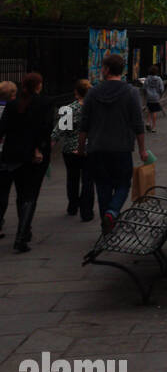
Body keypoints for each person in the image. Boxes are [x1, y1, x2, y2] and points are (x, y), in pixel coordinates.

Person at [77, 54, 148, 234]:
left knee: (102, 186)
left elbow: (84, 124)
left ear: (107, 69)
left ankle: (106, 224)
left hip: (97, 147)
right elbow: (138, 124)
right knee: (123, 184)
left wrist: (80, 146)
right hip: (122, 147)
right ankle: (113, 211)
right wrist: (142, 149)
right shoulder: (131, 92)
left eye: (102, 67)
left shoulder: (93, 92)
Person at [0, 73, 53, 252]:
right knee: (30, 195)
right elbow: (45, 128)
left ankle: (24, 230)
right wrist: (39, 148)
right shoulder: (44, 103)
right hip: (33, 154)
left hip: (12, 153)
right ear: (38, 85)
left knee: (21, 193)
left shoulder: (13, 104)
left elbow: (3, 128)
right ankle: (22, 235)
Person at [52, 79, 95, 222]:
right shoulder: (95, 108)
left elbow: (60, 130)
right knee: (88, 180)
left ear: (76, 92)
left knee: (72, 178)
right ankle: (87, 210)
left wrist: (51, 142)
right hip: (90, 148)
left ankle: (72, 206)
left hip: (70, 149)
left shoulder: (70, 109)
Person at [143, 66, 165, 133]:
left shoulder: (147, 79)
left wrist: (146, 95)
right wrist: (160, 95)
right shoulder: (159, 79)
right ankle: (154, 127)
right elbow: (161, 89)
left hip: (149, 97)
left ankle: (147, 122)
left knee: (149, 110)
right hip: (156, 97)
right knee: (154, 111)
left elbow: (144, 87)